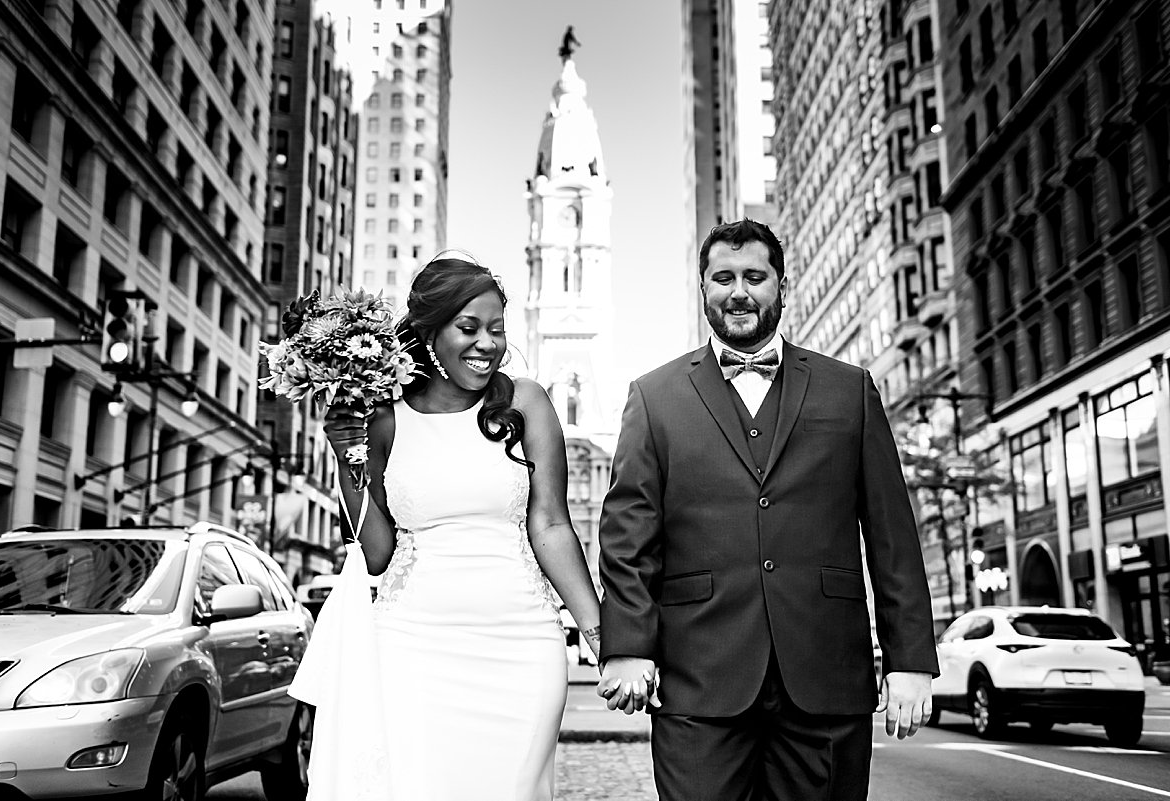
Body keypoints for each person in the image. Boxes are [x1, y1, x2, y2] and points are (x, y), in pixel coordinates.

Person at [596, 219, 939, 800]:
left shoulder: (848, 389)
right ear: (702, 289)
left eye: (755, 277)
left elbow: (892, 534)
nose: (739, 292)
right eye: (723, 278)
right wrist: (629, 646)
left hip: (826, 672)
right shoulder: (653, 397)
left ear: (782, 285)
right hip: (698, 675)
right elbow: (628, 534)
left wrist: (910, 659)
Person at [290, 257, 602, 800]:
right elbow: (379, 551)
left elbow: (551, 524)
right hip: (410, 649)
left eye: (498, 330)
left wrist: (602, 636)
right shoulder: (384, 417)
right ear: (429, 331)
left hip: (522, 648)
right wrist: (347, 458)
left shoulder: (526, 402)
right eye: (469, 328)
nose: (487, 344)